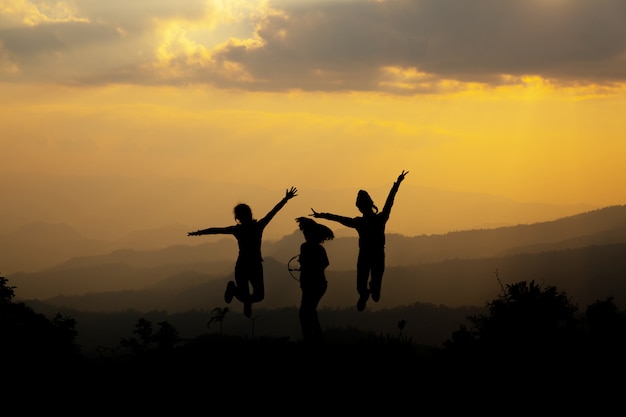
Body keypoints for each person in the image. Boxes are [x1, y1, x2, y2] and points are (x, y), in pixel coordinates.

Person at [188, 186, 298, 318]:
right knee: (258, 296)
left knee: (249, 295)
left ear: (238, 218)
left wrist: (199, 233)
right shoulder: (257, 226)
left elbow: (216, 230)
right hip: (254, 266)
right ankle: (243, 300)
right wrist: (285, 199)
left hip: (243, 266)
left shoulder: (238, 230)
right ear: (249, 214)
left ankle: (239, 295)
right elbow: (272, 212)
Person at [311, 170, 408, 311]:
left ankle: (366, 294)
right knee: (375, 286)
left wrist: (321, 215)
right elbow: (389, 201)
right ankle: (371, 292)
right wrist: (397, 183)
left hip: (365, 255)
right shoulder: (380, 218)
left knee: (362, 285)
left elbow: (339, 218)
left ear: (359, 207)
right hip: (378, 255)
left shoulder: (360, 222)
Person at [295, 217, 334, 345]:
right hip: (315, 284)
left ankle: (310, 339)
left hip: (314, 284)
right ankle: (316, 339)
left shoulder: (307, 247)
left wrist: (308, 265)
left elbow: (323, 263)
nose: (305, 234)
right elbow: (324, 263)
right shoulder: (311, 247)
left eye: (306, 232)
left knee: (305, 313)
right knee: (310, 311)